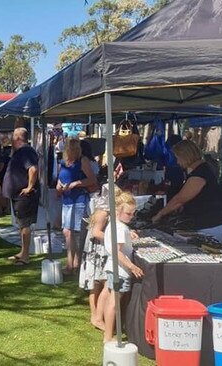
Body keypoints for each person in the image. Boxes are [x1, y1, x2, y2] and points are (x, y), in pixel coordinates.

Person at [152, 140, 222, 243]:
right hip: (205, 222)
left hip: (211, 224)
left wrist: (160, 214)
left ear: (186, 156)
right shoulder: (200, 170)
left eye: (178, 158)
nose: (177, 162)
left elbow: (179, 199)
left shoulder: (200, 173)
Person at [79, 186, 123, 331]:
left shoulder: (107, 212)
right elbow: (96, 232)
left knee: (101, 283)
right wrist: (112, 239)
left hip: (102, 249)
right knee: (96, 284)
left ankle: (100, 315)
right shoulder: (102, 213)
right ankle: (95, 316)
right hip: (97, 252)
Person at [103, 191, 144, 343]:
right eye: (128, 213)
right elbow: (116, 251)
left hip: (113, 268)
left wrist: (129, 233)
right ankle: (108, 336)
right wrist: (132, 266)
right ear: (118, 211)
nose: (131, 216)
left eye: (133, 213)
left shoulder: (116, 225)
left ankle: (109, 333)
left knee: (112, 301)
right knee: (114, 303)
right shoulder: (120, 228)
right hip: (119, 270)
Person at [56, 138, 96, 275]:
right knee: (67, 232)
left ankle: (73, 264)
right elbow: (59, 179)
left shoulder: (82, 161)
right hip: (66, 200)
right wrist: (59, 187)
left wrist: (75, 184)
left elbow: (92, 179)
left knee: (73, 232)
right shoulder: (63, 163)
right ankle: (73, 263)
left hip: (78, 199)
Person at [2, 127, 39, 265]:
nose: (11, 139)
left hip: (25, 196)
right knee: (21, 224)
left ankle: (25, 255)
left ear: (17, 138)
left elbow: (33, 169)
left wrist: (29, 187)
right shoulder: (19, 152)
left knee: (25, 225)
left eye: (13, 136)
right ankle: (22, 252)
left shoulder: (26, 151)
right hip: (18, 195)